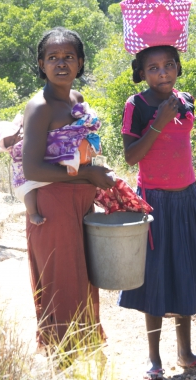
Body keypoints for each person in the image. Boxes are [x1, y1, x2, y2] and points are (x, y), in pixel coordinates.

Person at [117, 44, 196, 380]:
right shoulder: (137, 105)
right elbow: (132, 156)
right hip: (154, 202)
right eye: (153, 68)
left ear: (177, 68)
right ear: (142, 73)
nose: (162, 73)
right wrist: (160, 121)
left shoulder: (185, 99)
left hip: (187, 197)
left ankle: (186, 353)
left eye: (168, 66)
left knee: (183, 274)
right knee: (154, 279)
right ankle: (154, 359)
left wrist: (172, 112)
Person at [15, 27, 116, 348]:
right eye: (53, 58)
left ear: (81, 62)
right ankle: (62, 358)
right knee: (61, 281)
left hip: (80, 203)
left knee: (83, 277)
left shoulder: (77, 100)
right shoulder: (39, 107)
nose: (61, 64)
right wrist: (89, 173)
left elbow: (78, 147)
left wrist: (94, 174)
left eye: (68, 57)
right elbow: (32, 167)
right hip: (53, 204)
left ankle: (84, 351)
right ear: (41, 64)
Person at [0, 111, 101, 226]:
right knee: (28, 192)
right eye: (12, 141)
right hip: (25, 178)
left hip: (49, 172)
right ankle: (32, 214)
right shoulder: (17, 149)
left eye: (15, 133)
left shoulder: (32, 130)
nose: (17, 138)